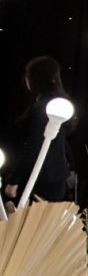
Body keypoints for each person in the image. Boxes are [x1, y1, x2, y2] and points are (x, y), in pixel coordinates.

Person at [3, 56, 75, 206]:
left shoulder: (43, 107)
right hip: (53, 175)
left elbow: (34, 144)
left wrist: (14, 179)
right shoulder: (53, 104)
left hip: (39, 177)